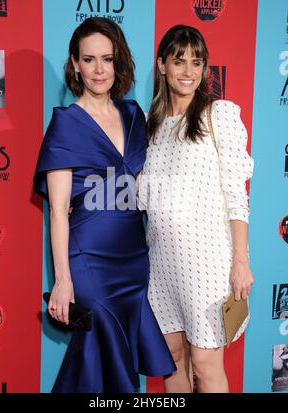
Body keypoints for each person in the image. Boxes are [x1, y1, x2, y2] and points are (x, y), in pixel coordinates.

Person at [34, 17, 176, 393]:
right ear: (75, 64)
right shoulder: (66, 123)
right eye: (89, 59)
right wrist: (63, 280)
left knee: (117, 361)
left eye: (107, 59)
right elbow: (59, 211)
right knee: (102, 346)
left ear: (119, 62)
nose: (99, 70)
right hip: (89, 260)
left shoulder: (133, 115)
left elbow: (144, 188)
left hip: (133, 258)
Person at [138, 25, 254, 393]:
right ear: (162, 66)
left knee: (205, 367)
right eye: (179, 61)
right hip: (161, 266)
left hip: (208, 265)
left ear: (205, 69)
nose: (188, 71)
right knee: (172, 363)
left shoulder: (217, 115)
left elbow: (237, 193)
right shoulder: (149, 126)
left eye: (196, 62)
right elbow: (144, 199)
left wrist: (241, 261)